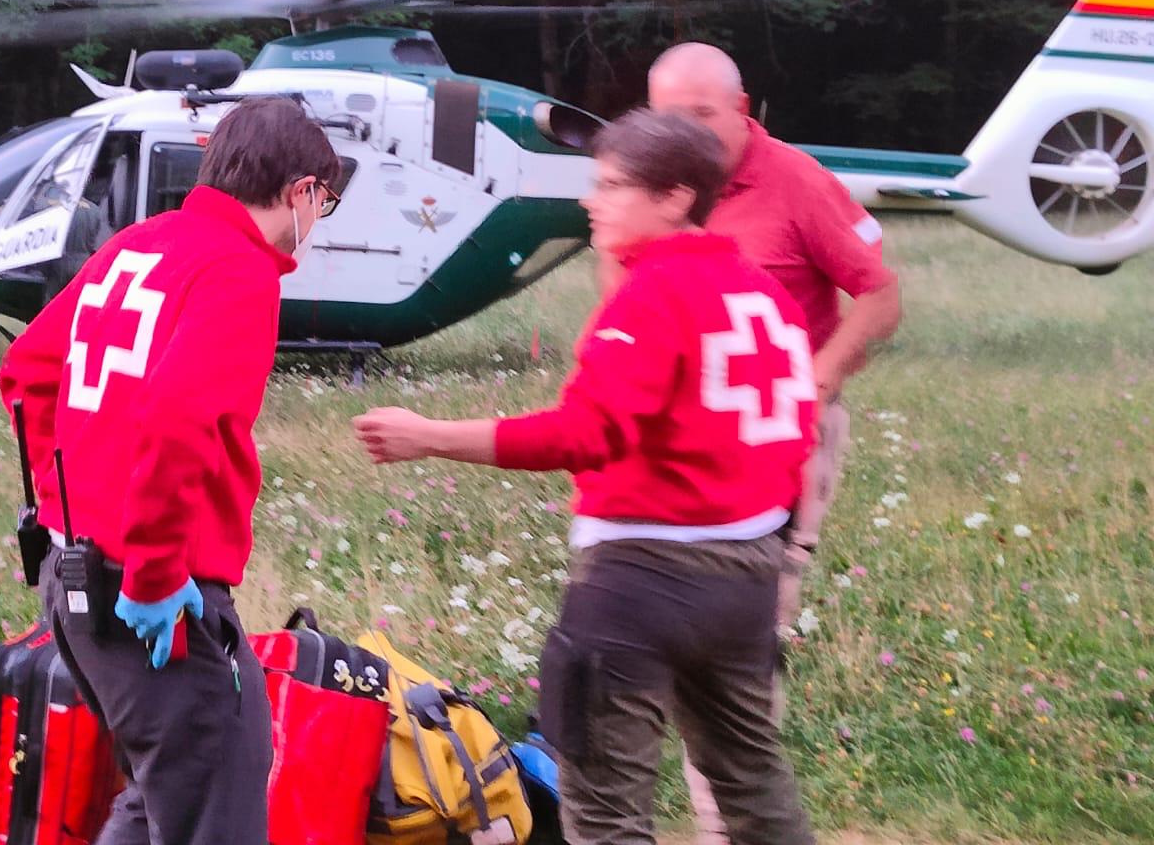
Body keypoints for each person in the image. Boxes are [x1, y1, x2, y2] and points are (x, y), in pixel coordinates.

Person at [355, 109, 818, 845]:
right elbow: (798, 440)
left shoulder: (652, 295)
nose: (589, 201)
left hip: (640, 582)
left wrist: (431, 437)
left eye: (610, 185)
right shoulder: (767, 296)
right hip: (747, 579)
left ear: (673, 198)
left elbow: (586, 433)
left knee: (606, 809)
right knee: (753, 780)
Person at [0, 96, 341, 845]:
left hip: (75, 580)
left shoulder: (135, 243)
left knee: (162, 800)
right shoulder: (241, 271)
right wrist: (151, 572)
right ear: (302, 192)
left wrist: (65, 516)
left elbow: (27, 372)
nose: (320, 220)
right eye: (327, 202)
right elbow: (179, 419)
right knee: (217, 802)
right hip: (147, 595)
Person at [644, 42, 901, 844]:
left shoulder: (793, 181)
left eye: (703, 116)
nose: (683, 133)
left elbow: (880, 295)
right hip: (674, 450)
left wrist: (813, 387)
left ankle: (729, 827)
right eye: (666, 116)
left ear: (743, 108)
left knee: (740, 636)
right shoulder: (653, 184)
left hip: (778, 448)